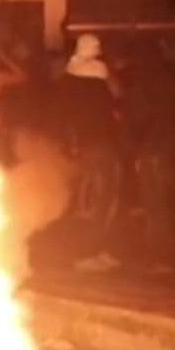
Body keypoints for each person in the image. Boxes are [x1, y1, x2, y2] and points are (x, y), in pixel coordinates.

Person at [60, 33, 123, 273]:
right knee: (104, 199)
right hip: (101, 142)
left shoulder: (69, 73)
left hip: (83, 143)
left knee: (88, 200)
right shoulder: (99, 71)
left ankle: (92, 250)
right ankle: (88, 253)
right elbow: (118, 92)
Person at [123, 39, 175, 271]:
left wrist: (136, 150)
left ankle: (159, 257)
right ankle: (162, 255)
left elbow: (138, 120)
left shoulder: (143, 84)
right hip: (166, 149)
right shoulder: (168, 80)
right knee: (161, 203)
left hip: (152, 150)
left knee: (153, 204)